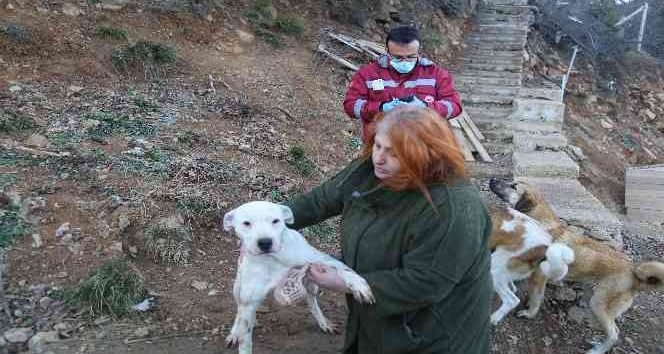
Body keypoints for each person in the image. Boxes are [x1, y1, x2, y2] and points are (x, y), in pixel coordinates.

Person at [285, 106, 492, 354]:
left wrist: (345, 282)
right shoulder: (371, 171)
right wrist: (265, 224)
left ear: (426, 156)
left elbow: (426, 283)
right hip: (380, 319)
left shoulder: (453, 209)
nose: (379, 158)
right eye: (378, 146)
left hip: (432, 334)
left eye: (395, 154)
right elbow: (320, 201)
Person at [343, 25, 463, 142]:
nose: (404, 62)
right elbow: (350, 106)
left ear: (419, 51)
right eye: (398, 57)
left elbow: (455, 106)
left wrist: (426, 107)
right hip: (379, 147)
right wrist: (381, 108)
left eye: (411, 57)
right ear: (387, 51)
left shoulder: (436, 74)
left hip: (424, 147)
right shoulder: (368, 74)